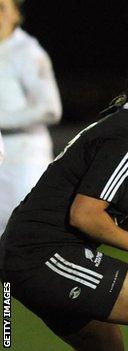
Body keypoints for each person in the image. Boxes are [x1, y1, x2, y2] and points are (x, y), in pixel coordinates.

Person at [0, 53, 128, 351]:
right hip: (41, 255)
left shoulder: (123, 127)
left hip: (27, 254)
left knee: (106, 346)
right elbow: (85, 214)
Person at [0, 0, 63, 234]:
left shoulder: (27, 51)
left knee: (26, 236)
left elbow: (50, 108)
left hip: (23, 162)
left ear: (17, 14)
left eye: (2, 8)